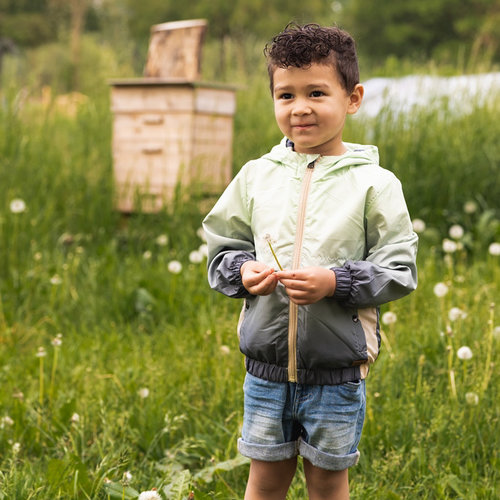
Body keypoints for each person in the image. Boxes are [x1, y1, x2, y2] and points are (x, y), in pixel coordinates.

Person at [202, 22, 418, 500]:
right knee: (265, 478)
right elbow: (221, 247)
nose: (300, 107)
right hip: (265, 369)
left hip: (336, 371)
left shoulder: (375, 185)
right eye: (286, 95)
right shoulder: (256, 176)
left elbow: (399, 269)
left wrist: (334, 282)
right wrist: (243, 270)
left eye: (317, 92)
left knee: (326, 481)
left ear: (353, 98)